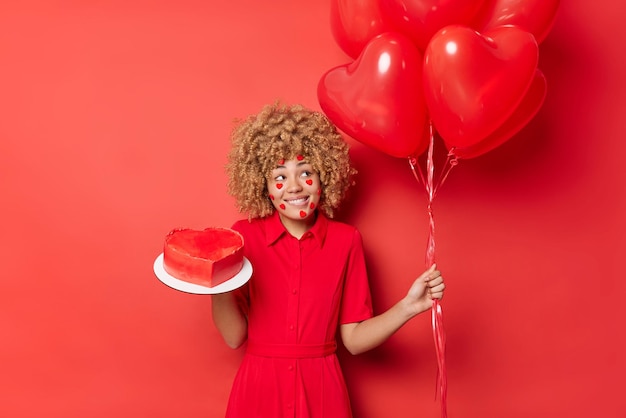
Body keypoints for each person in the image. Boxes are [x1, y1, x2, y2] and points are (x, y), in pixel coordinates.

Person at [212, 102, 445, 418]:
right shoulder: (243, 238)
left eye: (305, 172)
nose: (294, 186)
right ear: (264, 187)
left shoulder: (346, 241)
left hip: (322, 393)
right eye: (279, 176)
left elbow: (354, 340)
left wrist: (408, 306)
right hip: (259, 391)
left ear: (324, 176)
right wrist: (214, 278)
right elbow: (233, 336)